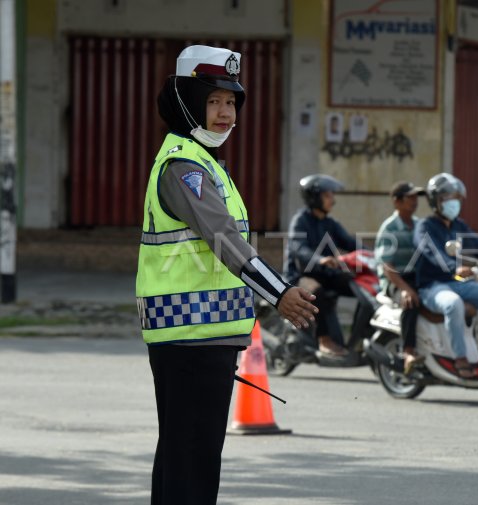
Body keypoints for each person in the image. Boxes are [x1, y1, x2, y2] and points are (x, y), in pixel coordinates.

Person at [136, 45, 317, 505]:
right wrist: (279, 293)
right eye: (213, 101)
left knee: (185, 458)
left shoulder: (206, 162)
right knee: (191, 463)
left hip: (204, 337)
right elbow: (225, 240)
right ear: (187, 103)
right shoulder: (184, 166)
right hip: (189, 337)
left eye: (231, 102)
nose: (225, 113)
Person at [414, 173, 478, 379]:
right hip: (431, 286)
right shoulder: (424, 226)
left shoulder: (459, 226)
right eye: (448, 198)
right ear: (435, 201)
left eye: (457, 198)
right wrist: (454, 267)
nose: (454, 203)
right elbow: (431, 251)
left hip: (456, 282)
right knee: (453, 304)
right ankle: (460, 358)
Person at [285, 174, 357, 357]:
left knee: (355, 284)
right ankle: (324, 340)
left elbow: (350, 243)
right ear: (314, 197)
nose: (332, 200)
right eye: (327, 195)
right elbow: (299, 248)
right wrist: (319, 259)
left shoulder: (330, 223)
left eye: (332, 195)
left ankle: (359, 337)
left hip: (325, 274)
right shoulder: (300, 221)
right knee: (316, 292)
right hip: (300, 276)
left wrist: (374, 255)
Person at [375, 181, 426, 373]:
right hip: (395, 281)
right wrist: (405, 289)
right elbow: (387, 267)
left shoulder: (420, 225)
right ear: (396, 202)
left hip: (416, 277)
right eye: (409, 198)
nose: (414, 201)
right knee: (411, 301)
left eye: (416, 197)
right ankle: (408, 352)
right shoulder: (389, 228)